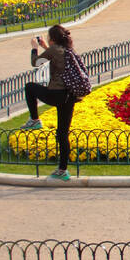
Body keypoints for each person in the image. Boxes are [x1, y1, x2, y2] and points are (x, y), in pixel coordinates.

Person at [21, 24, 78, 181]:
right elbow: (54, 58)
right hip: (70, 96)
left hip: (57, 94)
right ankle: (62, 170)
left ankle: (34, 119)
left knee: (30, 87)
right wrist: (46, 47)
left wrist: (34, 48)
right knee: (62, 133)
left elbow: (36, 63)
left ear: (52, 39)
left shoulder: (54, 50)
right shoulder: (68, 49)